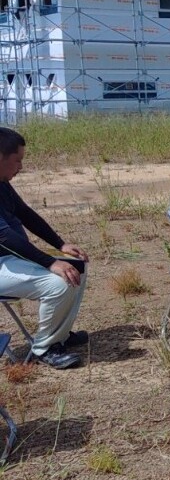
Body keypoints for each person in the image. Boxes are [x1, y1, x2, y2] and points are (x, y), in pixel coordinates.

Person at [0, 127, 90, 369]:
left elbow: (26, 214)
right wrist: (50, 262)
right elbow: (5, 237)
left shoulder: (2, 183)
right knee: (59, 282)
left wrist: (60, 245)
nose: (21, 167)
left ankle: (59, 335)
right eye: (17, 160)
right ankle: (45, 348)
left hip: (9, 260)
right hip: (2, 263)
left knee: (77, 266)